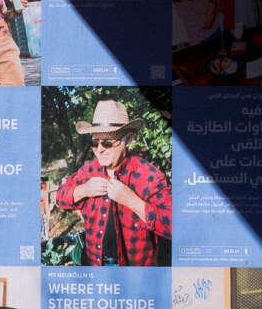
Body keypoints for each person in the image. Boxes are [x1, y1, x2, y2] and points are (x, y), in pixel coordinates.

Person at [53, 100, 172, 266]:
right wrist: (83, 190)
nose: (99, 149)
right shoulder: (88, 171)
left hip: (134, 271)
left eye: (107, 143)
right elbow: (60, 197)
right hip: (94, 266)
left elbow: (173, 225)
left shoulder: (149, 175)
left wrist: (133, 201)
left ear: (128, 140)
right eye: (94, 142)